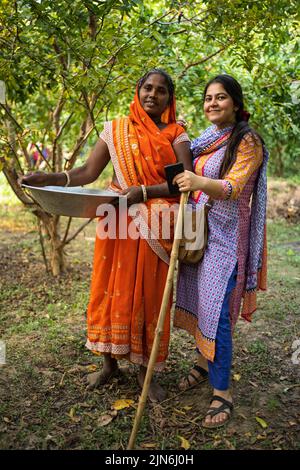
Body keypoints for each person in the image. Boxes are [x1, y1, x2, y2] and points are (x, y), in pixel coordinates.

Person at [20, 69, 192, 402]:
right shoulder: (115, 130)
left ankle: (146, 371)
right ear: (137, 91)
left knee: (149, 294)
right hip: (117, 219)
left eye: (160, 91)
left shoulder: (176, 133)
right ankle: (108, 362)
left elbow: (182, 179)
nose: (152, 95)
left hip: (157, 225)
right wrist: (48, 177)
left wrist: (142, 191)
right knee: (112, 288)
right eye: (147, 88)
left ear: (169, 98)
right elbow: (87, 172)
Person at [173, 74, 268, 428]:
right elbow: (185, 156)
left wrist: (197, 183)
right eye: (208, 98)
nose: (213, 103)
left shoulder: (248, 142)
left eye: (221, 97)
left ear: (236, 103)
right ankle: (201, 363)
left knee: (219, 315)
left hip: (228, 242)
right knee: (200, 305)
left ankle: (222, 392)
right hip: (200, 234)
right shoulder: (208, 141)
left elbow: (232, 187)